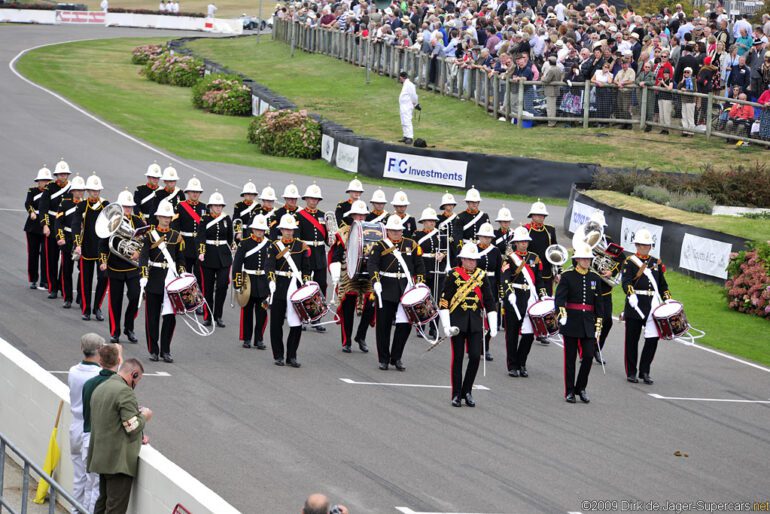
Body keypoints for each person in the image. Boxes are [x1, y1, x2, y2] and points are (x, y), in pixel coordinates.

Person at [87, 358, 151, 514]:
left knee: (102, 504)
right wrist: (144, 417)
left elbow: (111, 422)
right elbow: (131, 427)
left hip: (101, 458)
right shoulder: (124, 391)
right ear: (134, 374)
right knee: (115, 509)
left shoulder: (101, 387)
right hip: (118, 463)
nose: (136, 385)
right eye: (138, 380)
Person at [438, 243, 497, 407]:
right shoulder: (453, 275)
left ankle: (467, 391)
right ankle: (456, 394)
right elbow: (444, 302)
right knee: (457, 358)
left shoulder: (481, 275)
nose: (472, 263)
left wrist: (492, 323)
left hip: (476, 324)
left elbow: (489, 300)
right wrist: (446, 326)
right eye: (469, 260)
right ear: (462, 259)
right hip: (457, 323)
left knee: (475, 357)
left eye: (474, 260)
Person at [368, 214, 425, 371]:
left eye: (399, 230)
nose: (396, 233)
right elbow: (372, 264)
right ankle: (384, 359)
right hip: (385, 288)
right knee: (383, 326)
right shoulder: (379, 246)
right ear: (387, 230)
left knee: (405, 325)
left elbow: (420, 265)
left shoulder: (411, 244)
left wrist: (419, 283)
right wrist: (375, 281)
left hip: (406, 289)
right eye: (393, 230)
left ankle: (397, 357)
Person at [555, 242, 604, 404]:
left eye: (588, 259)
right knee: (569, 359)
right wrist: (561, 313)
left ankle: (581, 387)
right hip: (571, 321)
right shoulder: (568, 276)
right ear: (577, 260)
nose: (586, 262)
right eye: (583, 259)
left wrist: (599, 323)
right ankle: (569, 391)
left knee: (589, 355)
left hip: (588, 322)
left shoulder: (595, 278)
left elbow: (599, 304)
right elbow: (560, 298)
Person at [622, 228, 672, 385]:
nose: (645, 248)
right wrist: (631, 294)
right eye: (642, 245)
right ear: (636, 245)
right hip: (635, 304)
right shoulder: (629, 261)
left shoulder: (655, 262)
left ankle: (645, 370)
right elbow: (626, 281)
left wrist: (668, 300)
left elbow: (662, 285)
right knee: (632, 340)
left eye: (648, 245)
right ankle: (631, 372)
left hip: (653, 305)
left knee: (652, 340)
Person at [139, 200, 185, 362]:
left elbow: (180, 259)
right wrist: (143, 275)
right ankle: (153, 349)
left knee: (170, 317)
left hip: (171, 280)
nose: (166, 219)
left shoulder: (176, 236)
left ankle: (166, 350)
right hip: (154, 278)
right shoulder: (150, 235)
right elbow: (144, 257)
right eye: (164, 216)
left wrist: (182, 274)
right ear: (158, 216)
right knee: (152, 317)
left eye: (169, 216)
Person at [100, 191, 145, 344]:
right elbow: (103, 243)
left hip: (133, 268)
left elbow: (146, 242)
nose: (128, 209)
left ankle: (129, 327)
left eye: (130, 207)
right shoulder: (112, 221)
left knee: (135, 297)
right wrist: (103, 260)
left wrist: (138, 252)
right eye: (125, 206)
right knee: (115, 302)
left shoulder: (138, 222)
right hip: (115, 267)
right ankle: (115, 332)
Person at [81, 343, 121, 513]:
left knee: (88, 486)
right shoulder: (114, 385)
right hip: (99, 441)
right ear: (118, 360)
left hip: (86, 436)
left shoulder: (89, 383)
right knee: (97, 489)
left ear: (99, 360)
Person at [329, 200, 373, 353]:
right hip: (349, 274)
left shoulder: (373, 232)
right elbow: (336, 255)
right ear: (352, 215)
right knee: (347, 309)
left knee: (370, 306)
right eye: (358, 215)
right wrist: (336, 273)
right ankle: (346, 340)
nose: (360, 218)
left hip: (368, 276)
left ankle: (361, 336)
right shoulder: (344, 232)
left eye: (363, 215)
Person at [501, 226, 545, 377]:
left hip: (530, 298)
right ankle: (512, 365)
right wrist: (508, 293)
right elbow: (505, 278)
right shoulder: (509, 258)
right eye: (520, 241)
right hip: (515, 296)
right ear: (515, 243)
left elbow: (539, 281)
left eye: (525, 241)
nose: (523, 244)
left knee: (528, 334)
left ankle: (522, 362)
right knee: (512, 334)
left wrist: (542, 295)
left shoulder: (535, 257)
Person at [268, 214, 310, 367]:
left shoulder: (301, 245)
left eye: (291, 229)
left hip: (295, 285)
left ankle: (292, 356)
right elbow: (269, 265)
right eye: (286, 229)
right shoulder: (274, 245)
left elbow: (306, 267)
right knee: (276, 323)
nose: (288, 232)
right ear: (281, 229)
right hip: (279, 285)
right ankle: (278, 355)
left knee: (297, 322)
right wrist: (271, 280)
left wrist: (305, 282)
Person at [68, 333, 103, 513]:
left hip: (75, 426)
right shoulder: (98, 374)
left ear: (82, 349)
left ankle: (75, 511)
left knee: (78, 477)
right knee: (93, 480)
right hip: (89, 430)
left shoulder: (73, 371)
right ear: (99, 350)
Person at [232, 215, 274, 350]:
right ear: (253, 229)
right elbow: (237, 265)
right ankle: (247, 338)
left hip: (263, 281)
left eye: (262, 229)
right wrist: (237, 284)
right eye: (257, 229)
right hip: (248, 280)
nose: (259, 232)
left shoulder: (270, 244)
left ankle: (259, 338)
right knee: (247, 311)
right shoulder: (244, 243)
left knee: (262, 312)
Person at [73, 174, 109, 322]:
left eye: (97, 190)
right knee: (86, 281)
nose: (95, 192)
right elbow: (76, 225)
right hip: (87, 247)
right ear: (88, 190)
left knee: (104, 278)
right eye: (93, 190)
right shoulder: (82, 206)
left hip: (102, 249)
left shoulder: (106, 205)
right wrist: (77, 244)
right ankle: (86, 309)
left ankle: (97, 307)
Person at [197, 191, 233, 328]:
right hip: (208, 256)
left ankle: (218, 315)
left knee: (222, 286)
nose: (218, 208)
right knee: (208, 287)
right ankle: (208, 316)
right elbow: (200, 237)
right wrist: (201, 252)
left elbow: (229, 238)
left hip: (223, 257)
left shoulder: (226, 219)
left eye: (220, 205)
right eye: (216, 205)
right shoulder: (204, 219)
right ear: (210, 206)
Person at [297, 183, 329, 333]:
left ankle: (317, 318)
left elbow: (329, 239)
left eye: (316, 199)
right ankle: (302, 317)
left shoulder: (323, 216)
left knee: (322, 285)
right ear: (306, 199)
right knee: (304, 286)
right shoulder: (300, 215)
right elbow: (298, 238)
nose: (313, 201)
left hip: (320, 254)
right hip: (307, 255)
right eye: (311, 198)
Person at [39, 159, 72, 300]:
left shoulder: (72, 188)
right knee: (51, 259)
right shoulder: (49, 188)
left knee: (65, 261)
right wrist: (45, 225)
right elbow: (43, 208)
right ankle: (52, 287)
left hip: (66, 227)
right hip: (52, 225)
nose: (63, 176)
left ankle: (63, 287)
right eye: (60, 174)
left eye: (65, 174)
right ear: (56, 175)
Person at [415, 206, 448, 341]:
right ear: (423, 222)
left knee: (437, 300)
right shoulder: (417, 235)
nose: (432, 223)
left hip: (438, 271)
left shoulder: (441, 235)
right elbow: (415, 254)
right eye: (429, 221)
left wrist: (442, 255)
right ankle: (421, 326)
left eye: (433, 221)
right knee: (423, 299)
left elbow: (447, 251)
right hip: (424, 269)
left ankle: (434, 327)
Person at [55, 174, 86, 309]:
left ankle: (80, 295)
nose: (79, 193)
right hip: (67, 238)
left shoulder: (86, 205)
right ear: (72, 191)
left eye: (81, 190)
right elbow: (58, 222)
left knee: (82, 270)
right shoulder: (65, 203)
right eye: (77, 190)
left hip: (82, 240)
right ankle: (67, 297)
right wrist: (60, 237)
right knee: (66, 269)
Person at [473, 222, 503, 362]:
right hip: (475, 285)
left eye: (489, 237)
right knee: (476, 318)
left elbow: (498, 272)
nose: (486, 239)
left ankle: (485, 346)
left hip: (490, 285)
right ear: (479, 236)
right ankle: (474, 346)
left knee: (491, 318)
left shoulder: (495, 251)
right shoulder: (472, 249)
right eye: (484, 237)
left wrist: (500, 289)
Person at [174, 177, 206, 305]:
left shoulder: (204, 207)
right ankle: (185, 300)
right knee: (184, 274)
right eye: (192, 191)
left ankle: (197, 301)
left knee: (198, 275)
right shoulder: (180, 206)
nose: (195, 193)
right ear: (187, 192)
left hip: (198, 246)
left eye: (197, 191)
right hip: (185, 244)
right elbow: (175, 225)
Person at [25, 166, 52, 291]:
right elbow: (28, 203)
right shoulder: (32, 191)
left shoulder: (51, 192)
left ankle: (45, 280)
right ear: (38, 181)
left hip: (46, 225)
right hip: (33, 226)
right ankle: (33, 279)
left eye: (48, 181)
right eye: (43, 180)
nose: (46, 183)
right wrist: (31, 212)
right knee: (33, 253)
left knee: (46, 255)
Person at [525, 200, 559, 300]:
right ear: (532, 215)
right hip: (531, 270)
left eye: (543, 215)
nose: (541, 217)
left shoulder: (550, 230)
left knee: (547, 301)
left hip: (547, 272)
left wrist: (558, 272)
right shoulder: (526, 230)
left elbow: (556, 252)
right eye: (539, 214)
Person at [398, 71, 419, 145]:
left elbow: (414, 95)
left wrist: (416, 104)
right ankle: (405, 135)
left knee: (407, 120)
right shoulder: (405, 84)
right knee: (403, 121)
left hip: (407, 105)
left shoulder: (410, 85)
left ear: (401, 77)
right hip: (403, 106)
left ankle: (410, 137)